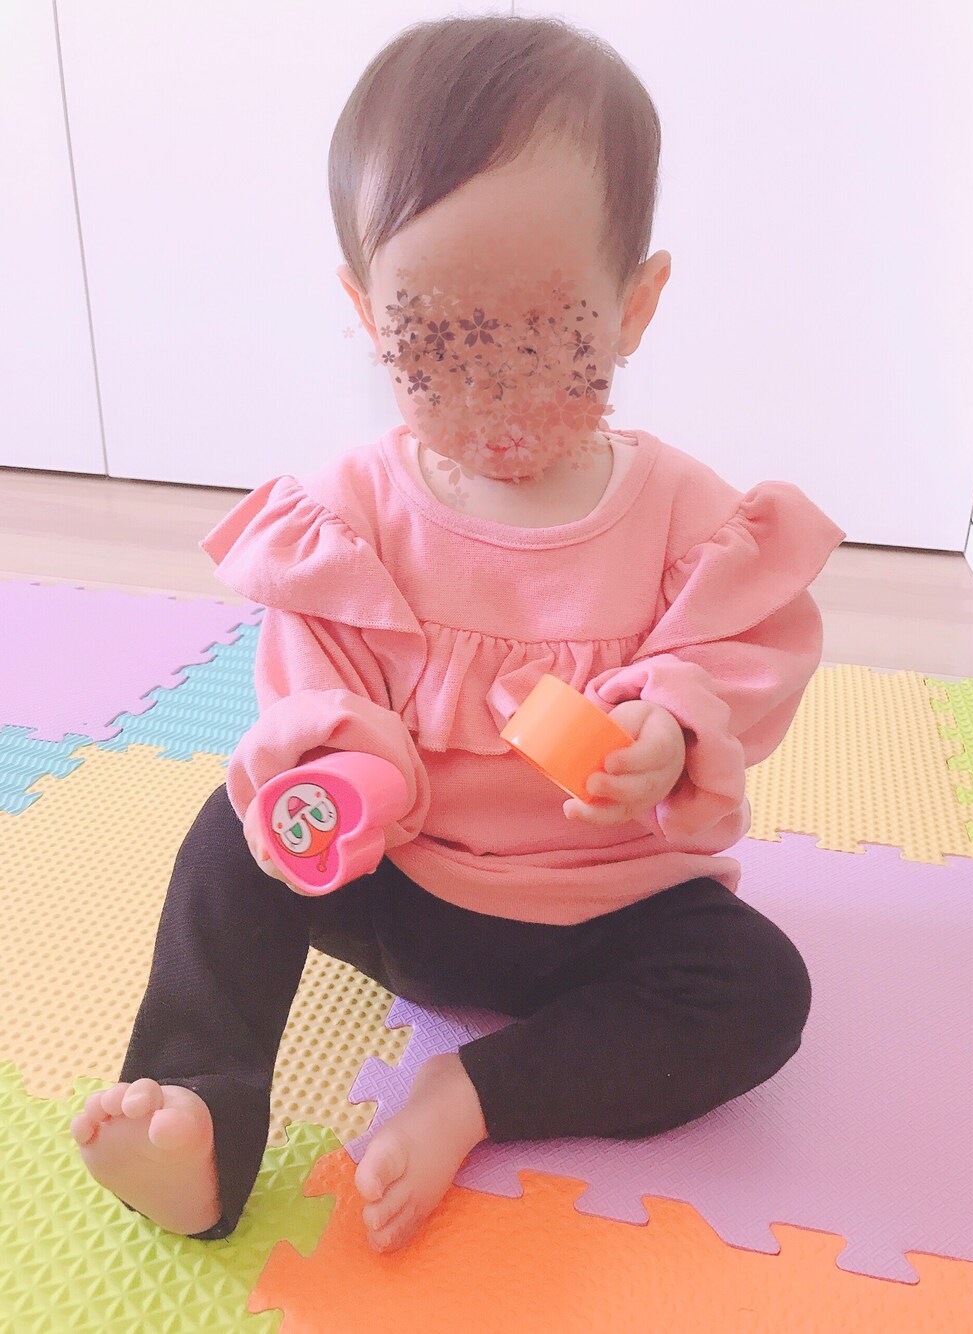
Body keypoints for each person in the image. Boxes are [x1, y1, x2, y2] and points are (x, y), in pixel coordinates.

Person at [72, 14, 846, 1255]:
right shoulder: (350, 514)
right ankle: (203, 1111)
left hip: (606, 912)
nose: (494, 397)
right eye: (436, 349)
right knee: (232, 833)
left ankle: (477, 1092)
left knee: (762, 991)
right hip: (401, 882)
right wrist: (344, 781)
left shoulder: (685, 516)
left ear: (635, 305)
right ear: (364, 311)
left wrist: (665, 727)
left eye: (547, 340)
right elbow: (314, 691)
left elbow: (739, 655)